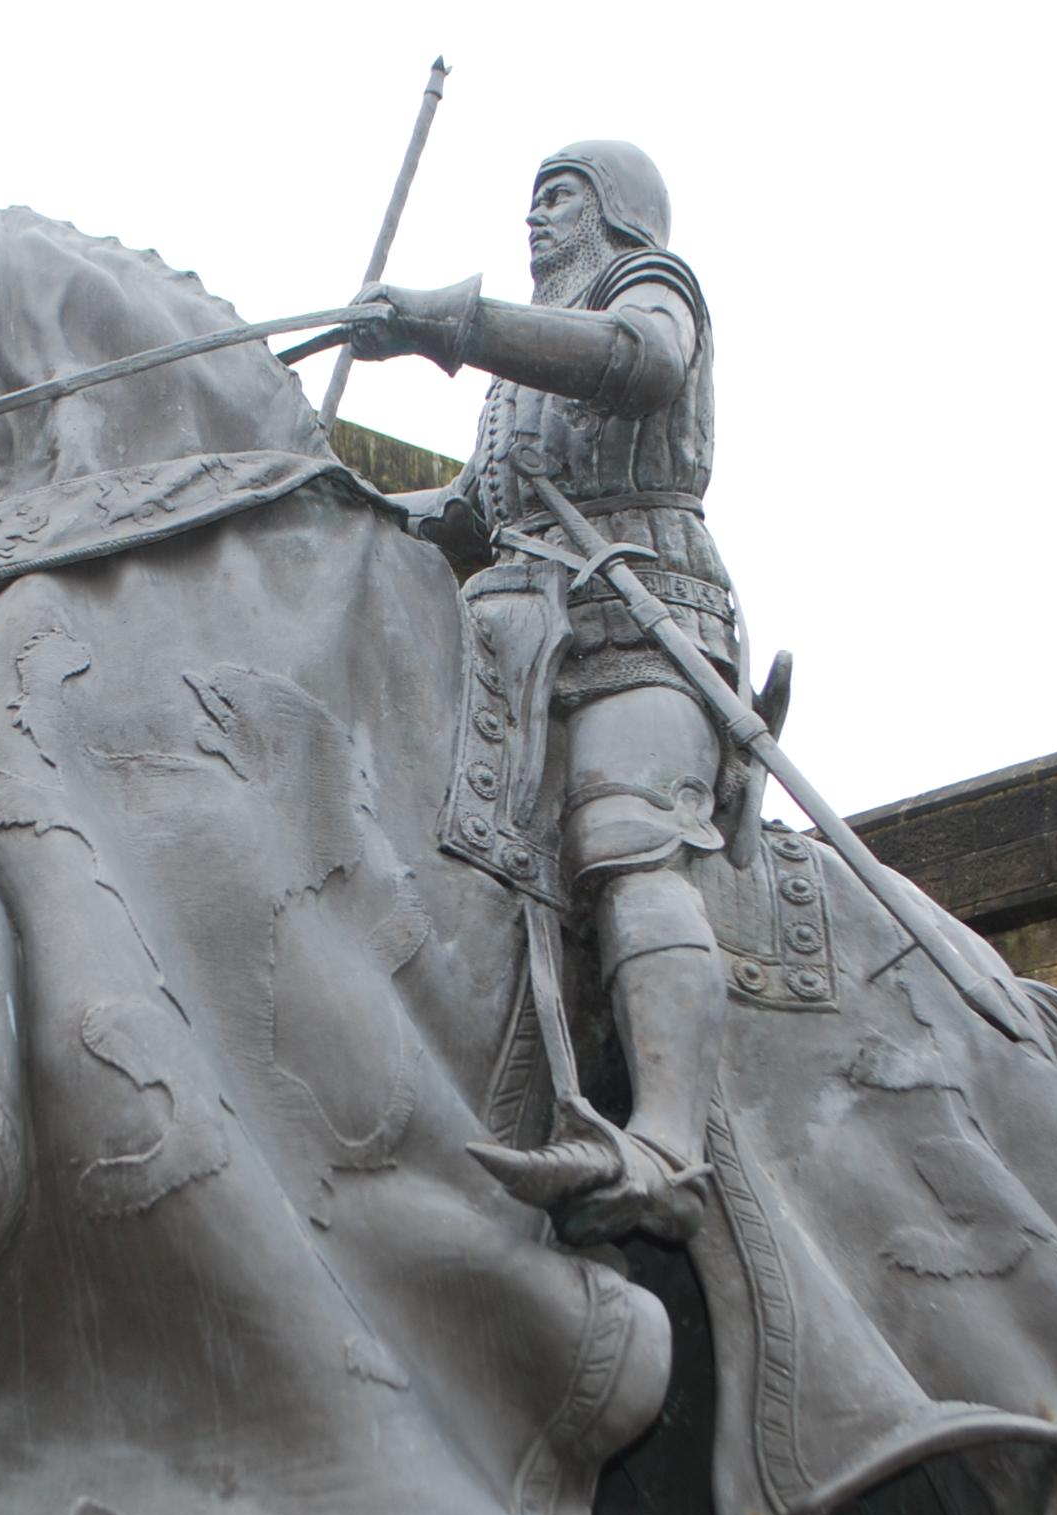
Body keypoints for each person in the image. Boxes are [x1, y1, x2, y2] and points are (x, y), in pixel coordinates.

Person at [350, 142, 738, 1244]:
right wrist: (330, 497)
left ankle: (666, 1139)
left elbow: (641, 363)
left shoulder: (648, 289)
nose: (537, 219)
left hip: (641, 617)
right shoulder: (516, 390)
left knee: (623, 837)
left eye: (559, 198)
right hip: (514, 642)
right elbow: (470, 515)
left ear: (616, 213)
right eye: (529, 201)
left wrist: (456, 326)